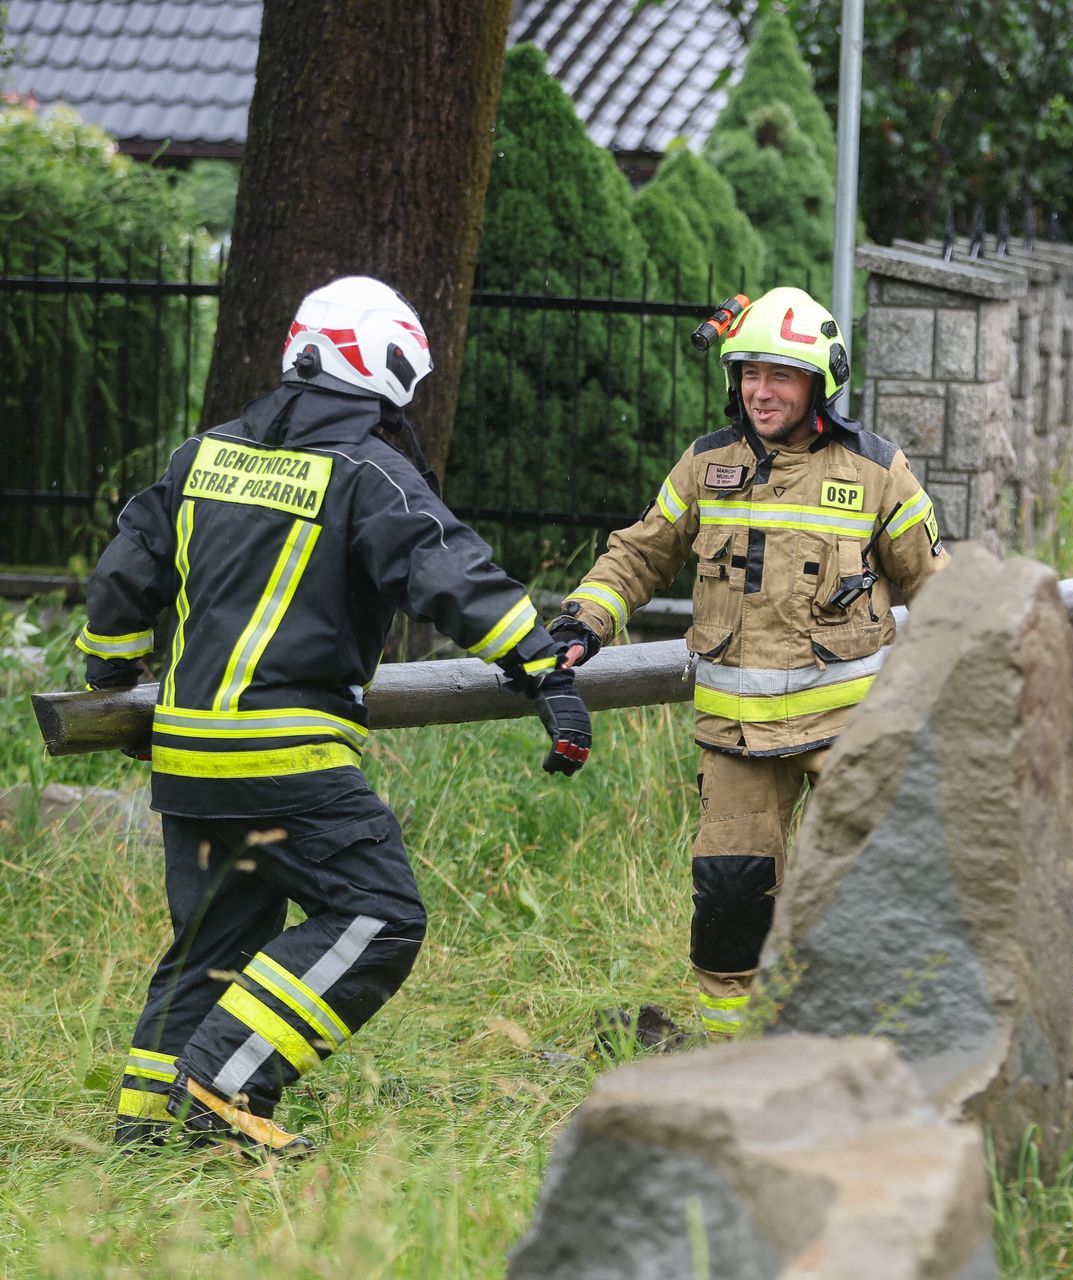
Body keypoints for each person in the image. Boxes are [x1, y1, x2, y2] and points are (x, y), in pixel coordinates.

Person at [80, 276, 592, 1155]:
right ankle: (224, 1086)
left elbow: (126, 574)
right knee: (380, 916)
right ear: (386, 367)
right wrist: (544, 669)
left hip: (188, 757)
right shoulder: (365, 471)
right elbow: (450, 574)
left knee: (211, 944)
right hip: (287, 759)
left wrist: (111, 666)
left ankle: (146, 1128)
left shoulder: (200, 454)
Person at [548, 286, 945, 1037]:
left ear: (819, 382)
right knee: (730, 905)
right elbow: (638, 553)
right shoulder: (706, 467)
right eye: (749, 373)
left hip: (846, 735)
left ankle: (870, 1059)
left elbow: (936, 586)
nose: (761, 391)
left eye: (781, 376)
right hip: (735, 740)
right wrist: (586, 618)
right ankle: (733, 1063)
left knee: (864, 897)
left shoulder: (877, 472)